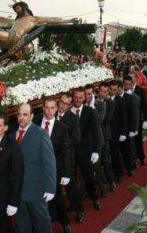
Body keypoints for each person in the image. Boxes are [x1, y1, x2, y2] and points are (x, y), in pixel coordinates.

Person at [13, 103, 56, 233]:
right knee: (22, 225)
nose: (21, 118)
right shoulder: (12, 135)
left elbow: (49, 163)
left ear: (31, 116)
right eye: (19, 114)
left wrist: (50, 188)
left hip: (37, 191)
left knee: (42, 224)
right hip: (18, 192)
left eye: (25, 114)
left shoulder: (41, 134)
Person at [33, 98, 73, 233]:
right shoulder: (35, 124)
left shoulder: (62, 128)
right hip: (37, 169)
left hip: (54, 169)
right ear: (43, 109)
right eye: (47, 108)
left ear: (56, 109)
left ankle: (65, 223)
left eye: (52, 108)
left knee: (57, 197)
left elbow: (66, 152)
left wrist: (67, 173)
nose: (49, 111)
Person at [0, 1, 77, 57]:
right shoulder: (17, 20)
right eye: (15, 9)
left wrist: (69, 20)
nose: (16, 10)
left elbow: (51, 20)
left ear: (24, 7)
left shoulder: (33, 19)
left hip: (16, 37)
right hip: (9, 36)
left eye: (18, 8)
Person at [0, 111, 24, 233]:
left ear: (5, 128)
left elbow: (18, 176)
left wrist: (13, 202)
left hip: (3, 201)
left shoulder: (13, 146)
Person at [70, 88, 102, 211]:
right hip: (71, 152)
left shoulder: (90, 112)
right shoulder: (68, 112)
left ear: (84, 98)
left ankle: (94, 199)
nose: (78, 100)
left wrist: (95, 151)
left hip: (86, 151)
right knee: (71, 179)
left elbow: (96, 133)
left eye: (80, 97)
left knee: (89, 178)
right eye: (76, 97)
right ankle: (75, 202)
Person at [56, 93, 83, 223]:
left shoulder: (73, 118)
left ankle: (79, 209)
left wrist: (61, 144)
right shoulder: (50, 116)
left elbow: (76, 139)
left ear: (70, 105)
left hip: (67, 158)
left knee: (70, 186)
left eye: (66, 104)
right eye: (61, 102)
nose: (62, 105)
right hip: (53, 159)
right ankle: (55, 213)